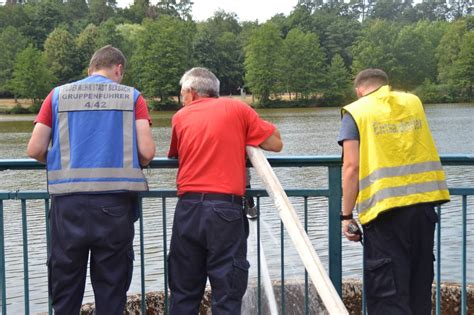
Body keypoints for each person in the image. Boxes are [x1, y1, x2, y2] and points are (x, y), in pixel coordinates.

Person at [27, 45, 156, 314]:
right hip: (114, 208)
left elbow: (35, 149)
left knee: (65, 292)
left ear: (91, 68)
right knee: (111, 292)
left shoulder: (57, 95)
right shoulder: (132, 97)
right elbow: (146, 152)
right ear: (118, 69)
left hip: (68, 207)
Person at [167, 67, 283, 314]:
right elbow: (276, 143)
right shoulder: (237, 109)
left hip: (188, 209)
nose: (182, 99)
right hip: (225, 210)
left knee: (183, 292)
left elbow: (178, 152)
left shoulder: (180, 117)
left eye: (182, 94)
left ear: (191, 92)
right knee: (227, 293)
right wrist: (242, 135)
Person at [338, 68, 450, 314]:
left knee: (388, 297)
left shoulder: (356, 111)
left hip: (385, 215)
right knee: (418, 290)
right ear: (386, 84)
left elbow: (351, 167)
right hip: (423, 209)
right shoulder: (413, 102)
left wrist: (346, 216)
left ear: (359, 90)